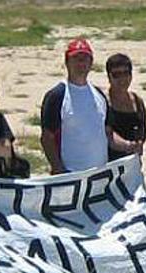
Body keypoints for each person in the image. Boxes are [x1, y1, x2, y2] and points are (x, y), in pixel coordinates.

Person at [40, 38, 132, 174]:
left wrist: (129, 145)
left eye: (85, 58)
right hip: (71, 174)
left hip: (99, 175)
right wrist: (58, 168)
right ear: (67, 62)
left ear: (91, 62)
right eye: (76, 58)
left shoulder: (99, 95)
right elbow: (47, 138)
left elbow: (108, 133)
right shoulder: (57, 96)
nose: (81, 63)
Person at [105, 53, 146, 162]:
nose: (122, 79)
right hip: (109, 165)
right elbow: (107, 135)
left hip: (132, 164)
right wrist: (129, 146)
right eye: (117, 74)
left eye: (126, 73)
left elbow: (142, 132)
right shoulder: (104, 103)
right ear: (109, 77)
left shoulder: (137, 102)